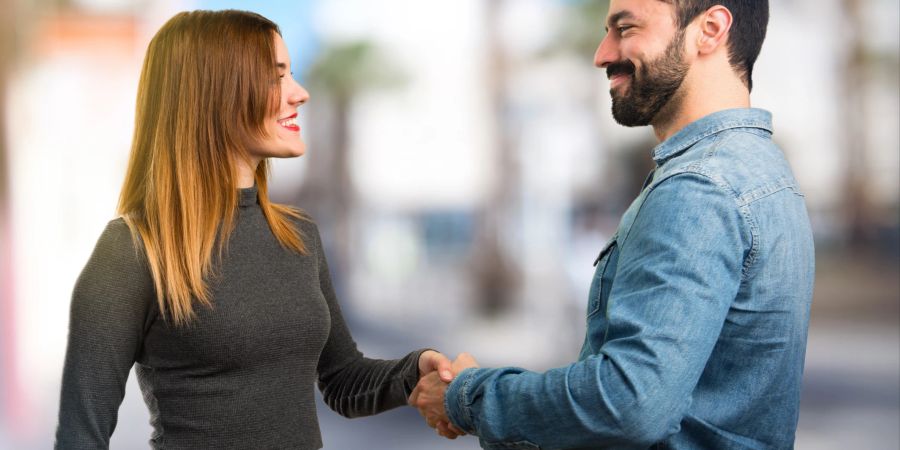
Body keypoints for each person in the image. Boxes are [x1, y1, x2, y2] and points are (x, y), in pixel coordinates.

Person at [410, 0, 815, 448]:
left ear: (711, 29)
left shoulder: (699, 189)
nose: (602, 53)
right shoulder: (764, 173)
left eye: (625, 28)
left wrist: (469, 395)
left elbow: (627, 405)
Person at [55, 10, 455, 449]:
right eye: (275, 78)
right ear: (215, 93)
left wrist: (413, 371)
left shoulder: (298, 236)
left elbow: (342, 379)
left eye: (292, 75)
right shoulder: (133, 250)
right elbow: (80, 437)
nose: (299, 94)